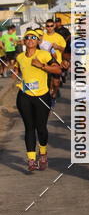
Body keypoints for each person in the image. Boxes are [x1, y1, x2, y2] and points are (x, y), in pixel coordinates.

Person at [15, 28, 61, 171]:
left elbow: (58, 70)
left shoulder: (44, 55)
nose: (30, 39)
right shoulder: (20, 57)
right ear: (24, 41)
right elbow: (18, 70)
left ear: (37, 41)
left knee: (41, 128)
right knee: (29, 128)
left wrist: (42, 66)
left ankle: (43, 153)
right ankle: (31, 160)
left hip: (42, 95)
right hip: (24, 96)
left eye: (33, 37)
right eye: (27, 37)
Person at [40, 18, 67, 102]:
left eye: (51, 26)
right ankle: (49, 96)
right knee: (47, 82)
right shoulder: (42, 36)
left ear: (54, 26)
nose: (49, 28)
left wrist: (58, 47)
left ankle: (55, 92)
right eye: (47, 26)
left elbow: (64, 49)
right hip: (45, 62)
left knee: (55, 83)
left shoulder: (59, 37)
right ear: (45, 27)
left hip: (57, 62)